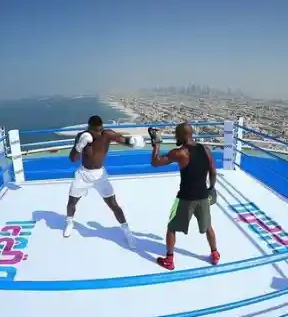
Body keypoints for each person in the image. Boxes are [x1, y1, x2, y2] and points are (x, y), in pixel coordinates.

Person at [148, 123, 220, 270]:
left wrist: (156, 144)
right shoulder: (205, 149)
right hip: (203, 197)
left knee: (171, 227)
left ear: (182, 135)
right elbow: (213, 171)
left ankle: (169, 260)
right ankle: (215, 254)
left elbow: (155, 162)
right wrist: (211, 188)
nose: (175, 136)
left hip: (185, 198)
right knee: (208, 227)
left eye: (176, 134)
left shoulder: (180, 153)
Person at [65, 115, 144, 248]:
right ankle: (69, 222)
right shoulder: (81, 136)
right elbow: (72, 159)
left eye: (100, 130)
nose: (98, 133)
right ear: (89, 128)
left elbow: (123, 140)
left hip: (100, 175)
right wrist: (79, 146)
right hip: (83, 174)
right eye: (95, 130)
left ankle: (127, 231)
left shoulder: (107, 134)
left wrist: (133, 142)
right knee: (72, 202)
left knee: (113, 204)